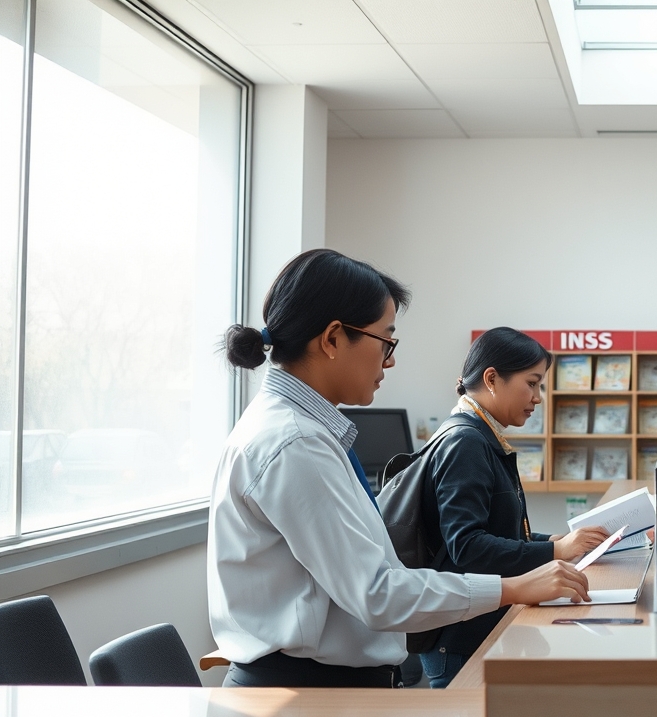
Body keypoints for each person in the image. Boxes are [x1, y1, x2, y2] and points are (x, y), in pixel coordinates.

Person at [209, 249, 589, 688]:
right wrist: (513, 587)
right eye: (386, 341)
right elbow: (377, 593)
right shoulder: (296, 444)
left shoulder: (299, 431)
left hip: (322, 684)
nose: (389, 361)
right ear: (333, 339)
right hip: (307, 692)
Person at [417, 327, 609, 688]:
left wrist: (552, 540)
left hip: (476, 628)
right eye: (532, 383)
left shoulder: (480, 435)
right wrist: (554, 551)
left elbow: (494, 532)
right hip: (460, 641)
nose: (537, 398)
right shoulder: (466, 442)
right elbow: (467, 547)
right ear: (492, 378)